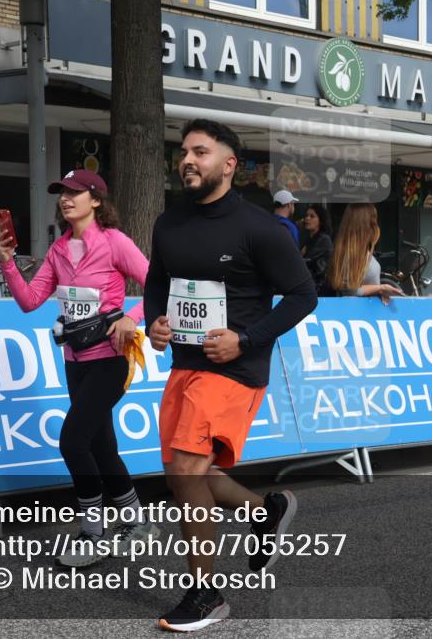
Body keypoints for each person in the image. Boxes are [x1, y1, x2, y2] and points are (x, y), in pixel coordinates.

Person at [144, 119, 317, 631]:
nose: (188, 160)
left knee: (187, 476)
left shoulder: (259, 227)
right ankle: (266, 509)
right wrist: (155, 321)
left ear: (228, 164)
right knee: (186, 474)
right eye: (184, 152)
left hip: (235, 367)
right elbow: (158, 280)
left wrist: (246, 338)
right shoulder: (169, 223)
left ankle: (206, 595)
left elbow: (303, 295)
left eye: (200, 151)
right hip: (185, 364)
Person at [0, 169, 159, 568]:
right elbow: (30, 301)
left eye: (74, 192)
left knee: (73, 442)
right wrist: (7, 263)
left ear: (96, 200)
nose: (65, 199)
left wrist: (132, 318)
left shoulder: (115, 242)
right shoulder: (58, 249)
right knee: (101, 445)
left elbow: (159, 285)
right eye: (61, 193)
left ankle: (92, 532)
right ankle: (138, 523)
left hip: (110, 359)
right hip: (75, 361)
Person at [327, 203, 403, 304]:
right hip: (357, 314)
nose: (376, 225)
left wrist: (381, 290)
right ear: (366, 224)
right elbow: (352, 291)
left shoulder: (360, 252)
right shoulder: (349, 255)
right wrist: (381, 288)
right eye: (374, 220)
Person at [300, 203, 334, 296]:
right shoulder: (309, 239)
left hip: (319, 290)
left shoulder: (323, 239)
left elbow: (314, 265)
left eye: (312, 216)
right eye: (306, 216)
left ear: (320, 220)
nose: (307, 218)